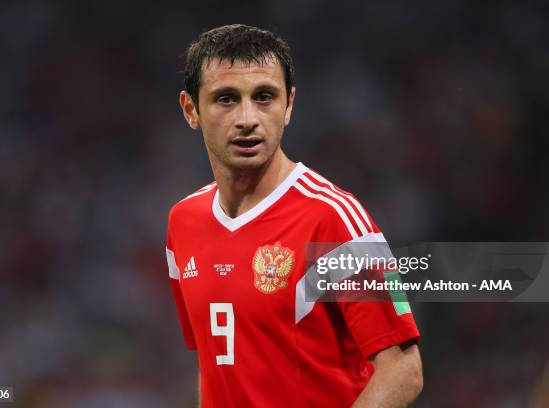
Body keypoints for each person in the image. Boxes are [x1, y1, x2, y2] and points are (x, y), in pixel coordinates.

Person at [166, 24, 422, 407]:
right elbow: (215, 363)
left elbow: (404, 369)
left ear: (288, 106)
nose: (247, 118)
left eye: (265, 97)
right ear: (191, 110)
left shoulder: (334, 217)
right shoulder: (182, 223)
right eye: (226, 99)